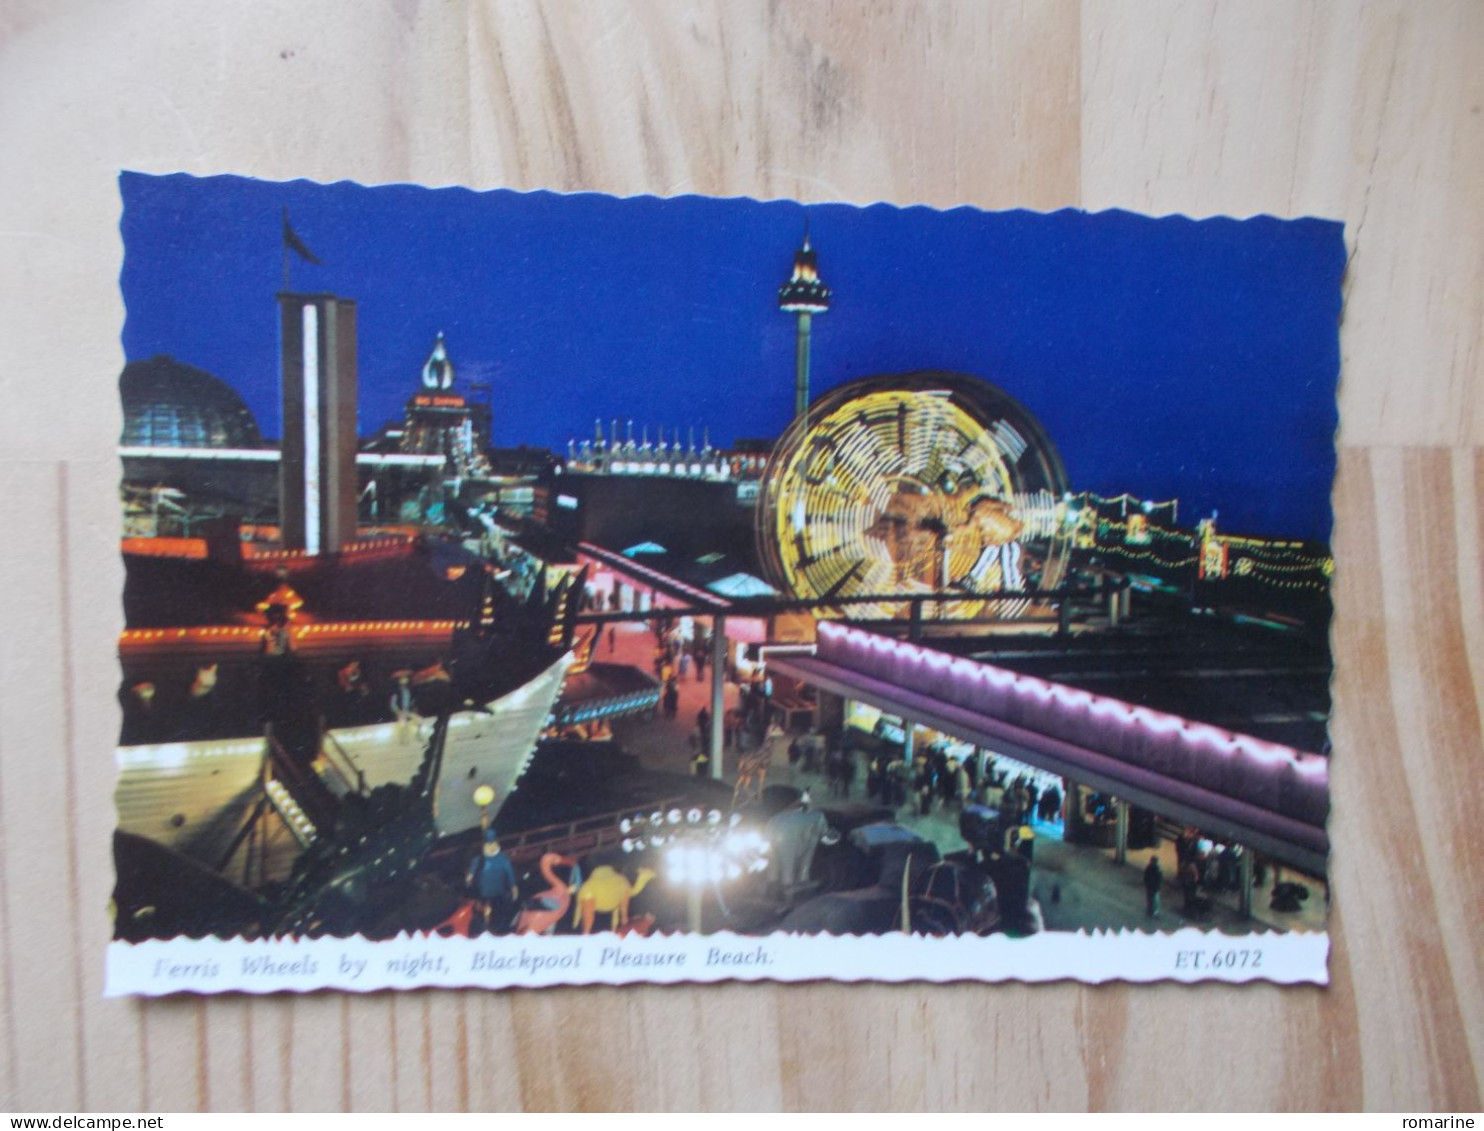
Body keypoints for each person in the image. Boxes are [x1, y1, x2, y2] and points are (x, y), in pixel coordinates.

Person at [467, 830, 518, 934]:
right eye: (488, 844)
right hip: (484, 889)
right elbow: (473, 868)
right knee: (483, 909)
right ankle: (485, 926)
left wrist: (513, 886)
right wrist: (470, 876)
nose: (491, 846)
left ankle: (496, 927)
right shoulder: (480, 859)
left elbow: (509, 872)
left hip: (499, 890)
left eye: (493, 843)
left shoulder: (503, 859)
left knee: (499, 909)